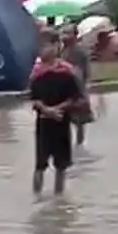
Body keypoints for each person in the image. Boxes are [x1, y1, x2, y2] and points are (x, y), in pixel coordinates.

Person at [30, 31, 82, 194]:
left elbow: (74, 97)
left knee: (61, 165)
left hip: (62, 123)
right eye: (39, 46)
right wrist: (47, 110)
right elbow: (34, 98)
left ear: (56, 46)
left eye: (46, 45)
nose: (42, 50)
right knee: (40, 165)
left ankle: (58, 197)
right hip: (43, 124)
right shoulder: (36, 72)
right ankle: (36, 197)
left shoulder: (66, 71)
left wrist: (58, 109)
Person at [60, 25, 93, 146]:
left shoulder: (80, 51)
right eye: (63, 33)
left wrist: (83, 89)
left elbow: (85, 72)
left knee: (79, 120)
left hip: (77, 88)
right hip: (63, 89)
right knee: (65, 119)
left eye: (68, 33)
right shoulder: (62, 51)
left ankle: (79, 144)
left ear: (75, 35)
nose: (64, 36)